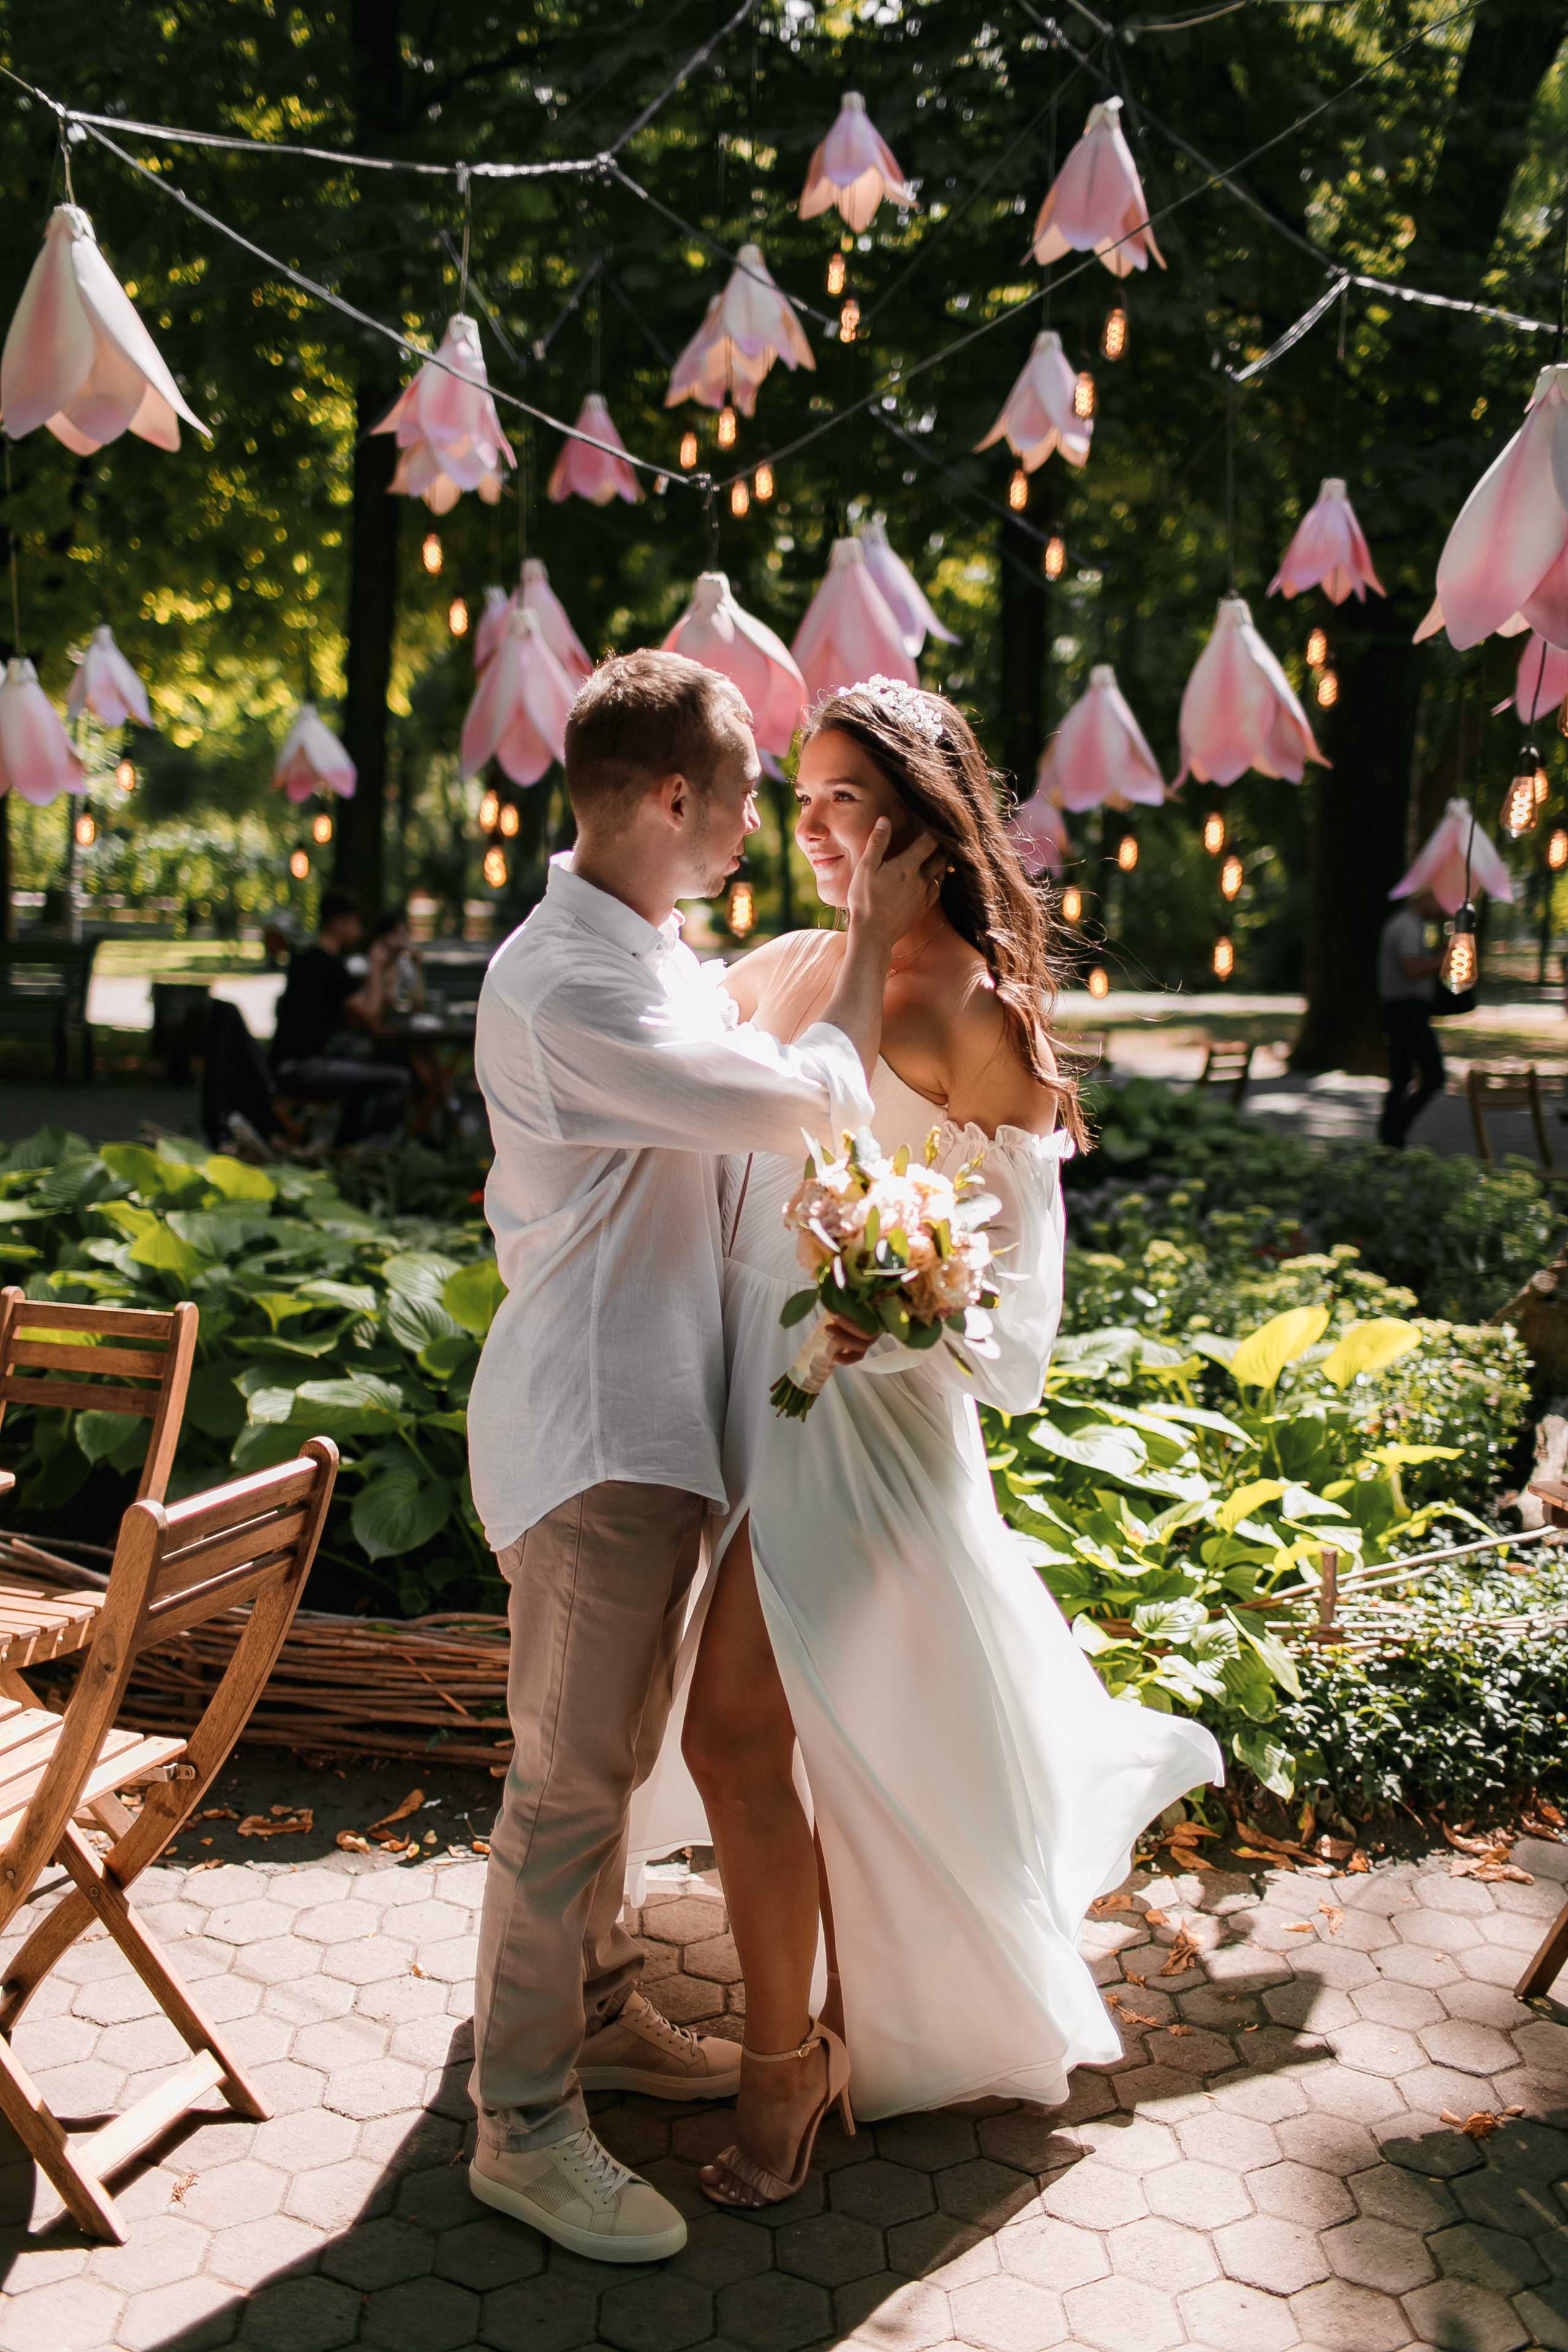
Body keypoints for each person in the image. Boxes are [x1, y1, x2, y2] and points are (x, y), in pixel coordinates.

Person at [633, 677, 1223, 2209]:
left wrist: (895, 1312)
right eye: (807, 799)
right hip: (749, 1408)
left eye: (852, 800)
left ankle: (785, 2067)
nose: (820, 828)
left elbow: (1015, 1324)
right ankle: (830, 2016)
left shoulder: (973, 1010)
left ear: (921, 819)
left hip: (868, 1440)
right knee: (812, 1743)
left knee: (735, 1732)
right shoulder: (788, 968)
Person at [463, 650, 938, 2264]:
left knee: (596, 1775)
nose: (759, 827)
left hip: (662, 1426)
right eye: (744, 796)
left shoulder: (649, 950)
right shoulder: (568, 985)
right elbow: (805, 1105)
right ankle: (522, 2126)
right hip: (596, 1435)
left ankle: (592, 2014)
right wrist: (868, 934)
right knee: (565, 1794)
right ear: (673, 796)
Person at [268, 891, 412, 1147]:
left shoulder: (306, 959)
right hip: (304, 1068)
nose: (360, 931)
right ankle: (371, 1151)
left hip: (286, 1063)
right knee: (398, 1079)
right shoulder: (330, 967)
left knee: (363, 1062)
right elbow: (372, 1018)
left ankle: (347, 1144)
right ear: (339, 923)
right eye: (356, 923)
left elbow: (358, 1015)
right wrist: (376, 967)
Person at [1378, 887, 1446, 1148]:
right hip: (1407, 1010)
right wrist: (1444, 959)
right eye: (1439, 899)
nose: (1442, 907)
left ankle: (1390, 1138)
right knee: (1433, 1074)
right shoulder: (1406, 926)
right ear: (1424, 895)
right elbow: (1412, 969)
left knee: (1402, 1077)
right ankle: (1394, 1130)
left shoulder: (1408, 924)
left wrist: (1436, 954)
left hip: (1402, 1010)